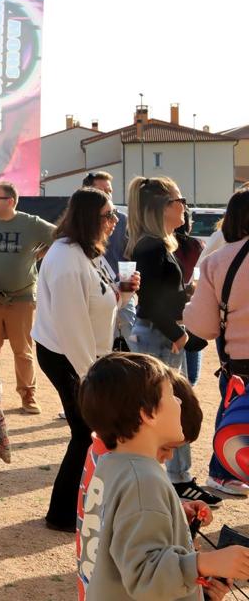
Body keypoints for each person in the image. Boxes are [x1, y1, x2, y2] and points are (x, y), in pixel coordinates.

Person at [77, 352, 249, 600]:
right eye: (172, 395)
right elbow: (144, 576)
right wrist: (206, 563)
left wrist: (173, 513)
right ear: (148, 413)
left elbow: (126, 530)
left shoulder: (113, 464)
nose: (179, 403)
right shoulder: (143, 480)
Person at [32, 188, 138, 532]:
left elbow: (98, 302)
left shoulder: (85, 251)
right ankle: (62, 514)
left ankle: (72, 509)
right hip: (69, 356)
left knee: (87, 432)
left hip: (83, 354)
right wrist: (89, 378)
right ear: (90, 217)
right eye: (108, 215)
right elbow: (71, 324)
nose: (114, 221)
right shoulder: (66, 259)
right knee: (84, 431)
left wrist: (123, 293)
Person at [125, 175, 220, 506]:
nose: (185, 208)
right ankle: (173, 481)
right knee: (165, 409)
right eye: (180, 201)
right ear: (161, 207)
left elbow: (159, 295)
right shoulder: (151, 246)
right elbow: (149, 303)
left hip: (161, 335)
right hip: (158, 337)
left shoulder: (158, 243)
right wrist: (178, 334)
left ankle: (178, 479)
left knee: (173, 407)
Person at [0, 181, 56, 415]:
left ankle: (28, 395)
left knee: (22, 350)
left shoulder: (30, 223)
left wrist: (40, 254)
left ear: (11, 201)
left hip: (21, 298)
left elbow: (59, 237)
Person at [184, 187, 249, 497]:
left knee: (235, 424)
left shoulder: (219, 261)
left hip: (240, 367)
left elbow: (203, 327)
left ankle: (223, 473)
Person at [83, 171, 134, 347]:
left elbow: (129, 257)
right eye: (102, 190)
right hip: (94, 295)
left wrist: (128, 289)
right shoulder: (79, 224)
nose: (107, 194)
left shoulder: (122, 220)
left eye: (109, 190)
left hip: (121, 291)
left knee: (129, 342)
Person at [174, 210, 206, 386]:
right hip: (193, 310)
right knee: (191, 376)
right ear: (189, 224)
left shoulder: (164, 246)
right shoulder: (198, 246)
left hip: (169, 315)